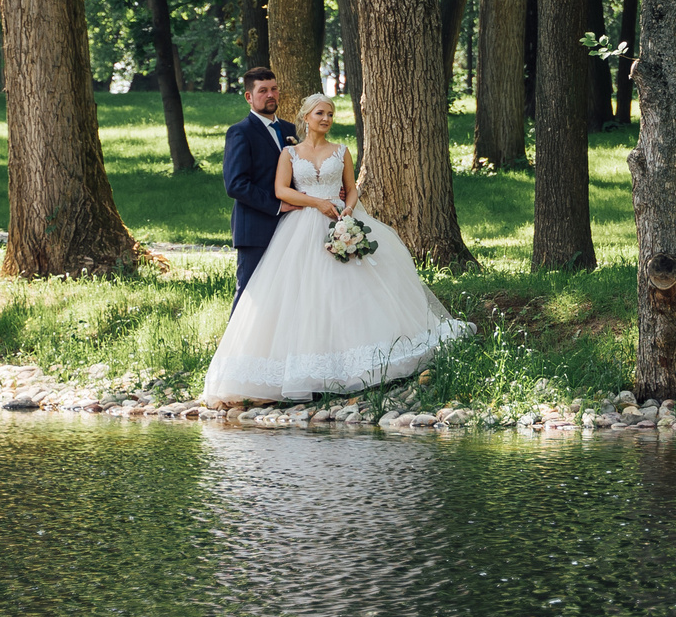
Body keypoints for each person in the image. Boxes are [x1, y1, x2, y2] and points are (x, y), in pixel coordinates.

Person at [200, 92, 474, 402]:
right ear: (306, 117)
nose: (326, 119)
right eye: (320, 113)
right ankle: (304, 371)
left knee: (351, 288)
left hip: (340, 219)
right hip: (303, 225)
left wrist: (348, 209)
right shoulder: (289, 153)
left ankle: (363, 363)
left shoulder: (341, 151)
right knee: (307, 293)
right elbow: (281, 190)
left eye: (330, 114)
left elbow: (352, 188)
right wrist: (316, 202)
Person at [222, 67, 296, 300]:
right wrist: (278, 205)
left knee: (285, 294)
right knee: (250, 295)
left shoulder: (291, 130)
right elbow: (236, 184)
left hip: (292, 227)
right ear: (249, 96)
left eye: (274, 89)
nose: (270, 95)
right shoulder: (240, 132)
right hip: (255, 228)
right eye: (263, 90)